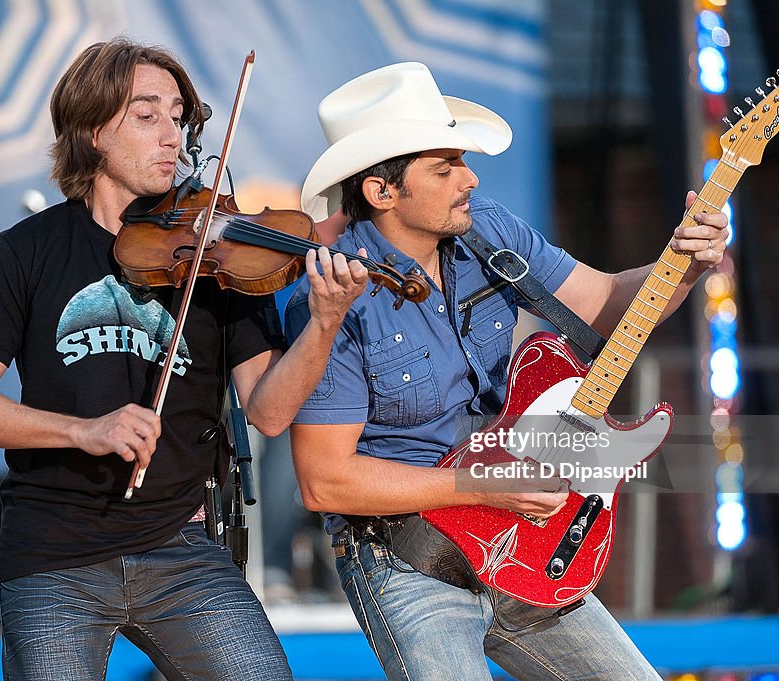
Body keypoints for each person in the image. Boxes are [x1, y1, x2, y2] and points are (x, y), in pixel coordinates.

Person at [0, 38, 367, 681]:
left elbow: (269, 413)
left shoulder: (218, 254)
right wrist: (84, 430)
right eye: (147, 115)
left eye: (179, 117)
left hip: (182, 549)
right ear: (92, 131)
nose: (173, 135)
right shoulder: (26, 251)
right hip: (53, 552)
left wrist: (324, 325)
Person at [285, 62, 730, 680]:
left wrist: (683, 265)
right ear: (381, 193)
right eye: (444, 169)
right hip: (411, 559)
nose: (469, 179)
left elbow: (603, 303)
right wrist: (482, 488)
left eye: (462, 161)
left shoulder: (487, 227)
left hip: (522, 535)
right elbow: (326, 484)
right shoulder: (332, 298)